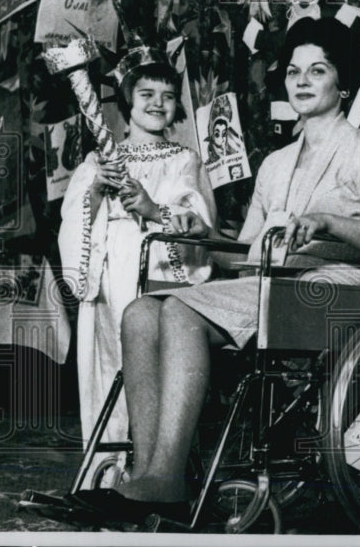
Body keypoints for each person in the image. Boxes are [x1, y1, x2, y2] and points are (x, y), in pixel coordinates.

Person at [71, 17, 360, 522]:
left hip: (341, 291)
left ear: (343, 83)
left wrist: (329, 222)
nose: (301, 80)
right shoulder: (275, 163)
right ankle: (146, 473)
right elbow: (242, 253)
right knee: (142, 312)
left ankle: (167, 481)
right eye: (294, 71)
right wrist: (193, 232)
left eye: (317, 70)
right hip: (275, 283)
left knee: (183, 315)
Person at [59, 50, 216, 487]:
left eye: (167, 96)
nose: (157, 103)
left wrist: (153, 208)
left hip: (157, 271)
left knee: (154, 369)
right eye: (146, 93)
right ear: (127, 101)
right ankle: (107, 478)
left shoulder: (184, 160)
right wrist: (95, 193)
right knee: (109, 371)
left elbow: (197, 222)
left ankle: (156, 470)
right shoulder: (99, 162)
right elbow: (76, 220)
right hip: (110, 275)